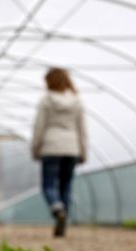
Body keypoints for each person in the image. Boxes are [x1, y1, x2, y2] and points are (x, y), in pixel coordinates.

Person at [31, 68, 87, 237]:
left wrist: (35, 148)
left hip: (51, 146)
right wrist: (83, 151)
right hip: (71, 147)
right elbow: (82, 129)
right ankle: (63, 220)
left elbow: (39, 127)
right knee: (66, 185)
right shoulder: (77, 101)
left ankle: (57, 209)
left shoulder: (46, 100)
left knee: (48, 184)